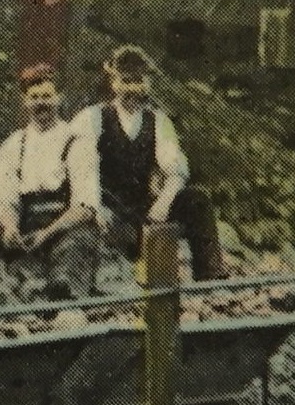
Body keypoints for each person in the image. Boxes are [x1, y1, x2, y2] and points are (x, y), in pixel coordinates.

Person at [70, 45, 227, 281]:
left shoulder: (158, 120)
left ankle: (211, 276)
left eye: (138, 81)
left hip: (143, 206)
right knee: (106, 231)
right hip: (109, 208)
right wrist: (95, 207)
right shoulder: (92, 118)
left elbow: (175, 168)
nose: (133, 88)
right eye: (126, 81)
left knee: (197, 200)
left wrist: (163, 202)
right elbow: (83, 170)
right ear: (113, 83)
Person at [0, 62, 101, 298]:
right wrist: (10, 228)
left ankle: (58, 298)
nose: (41, 103)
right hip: (26, 228)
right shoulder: (13, 145)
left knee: (71, 258)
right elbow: (5, 197)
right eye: (34, 97)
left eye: (47, 96)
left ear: (59, 97)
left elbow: (85, 208)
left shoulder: (77, 142)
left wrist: (47, 234)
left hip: (65, 229)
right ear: (25, 101)